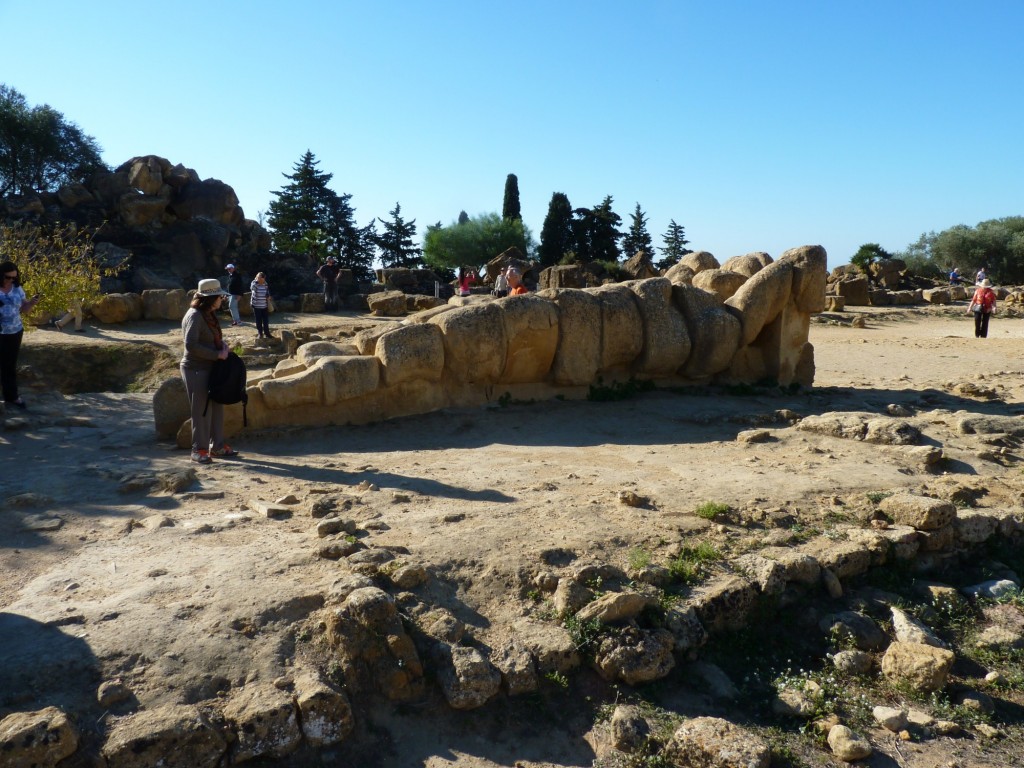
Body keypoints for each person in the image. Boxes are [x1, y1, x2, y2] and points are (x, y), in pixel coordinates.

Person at [180, 278, 238, 463]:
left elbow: (209, 338)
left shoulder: (207, 313)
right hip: (196, 368)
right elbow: (191, 345)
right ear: (210, 298)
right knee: (201, 410)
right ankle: (199, 449)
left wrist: (222, 346)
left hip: (210, 367)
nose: (222, 299)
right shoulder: (195, 316)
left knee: (216, 405)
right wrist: (217, 354)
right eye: (220, 296)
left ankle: (217, 446)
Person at [0, 260, 42, 409]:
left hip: (15, 331)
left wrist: (32, 303)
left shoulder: (17, 288)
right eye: (8, 277)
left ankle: (12, 396)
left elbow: (24, 309)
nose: (11, 280)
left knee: (9, 365)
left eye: (14, 277)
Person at [250, 271, 272, 339]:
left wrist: (268, 296)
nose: (262, 281)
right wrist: (257, 281)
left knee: (266, 321)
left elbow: (267, 292)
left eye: (262, 279)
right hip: (257, 306)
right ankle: (260, 333)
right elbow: (252, 288)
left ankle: (267, 333)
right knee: (258, 321)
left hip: (264, 306)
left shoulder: (265, 284)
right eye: (259, 278)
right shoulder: (254, 283)